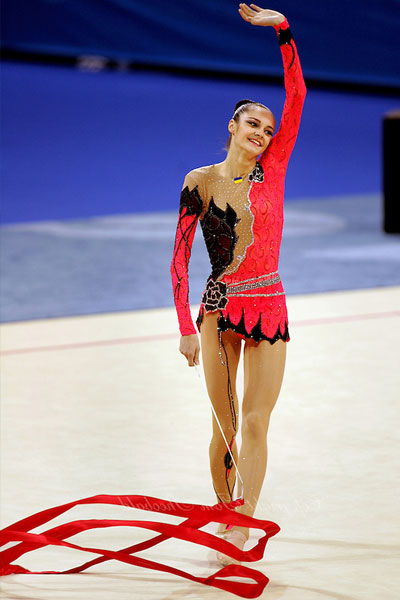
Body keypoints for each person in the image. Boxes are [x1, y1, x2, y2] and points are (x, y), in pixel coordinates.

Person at [170, 3, 306, 566]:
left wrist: (283, 31)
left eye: (268, 129)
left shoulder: (272, 169)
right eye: (253, 123)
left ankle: (241, 524)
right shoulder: (199, 182)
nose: (263, 132)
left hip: (268, 305)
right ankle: (226, 511)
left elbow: (296, 96)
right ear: (232, 125)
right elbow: (178, 260)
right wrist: (185, 328)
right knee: (224, 425)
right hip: (219, 310)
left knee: (256, 420)